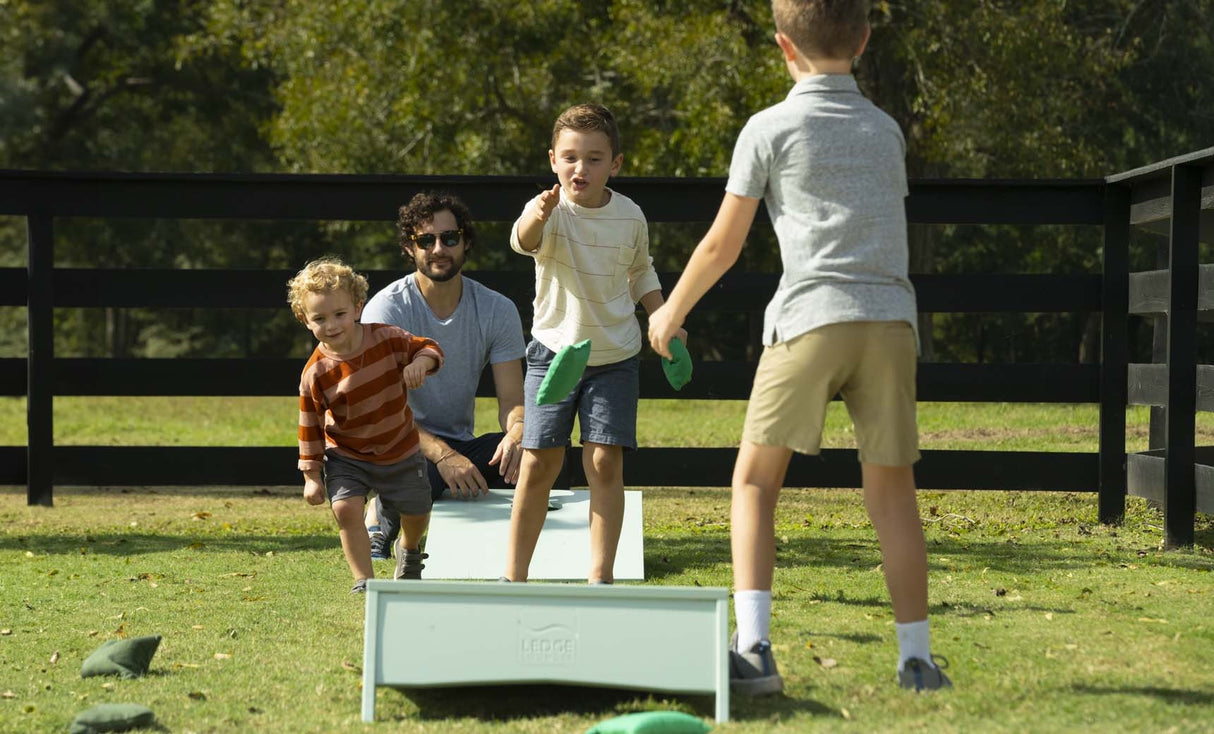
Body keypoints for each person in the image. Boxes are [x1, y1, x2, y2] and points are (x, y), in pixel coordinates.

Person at [647, 0, 951, 694]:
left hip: (810, 318)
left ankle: (754, 649)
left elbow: (722, 245)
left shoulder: (769, 128)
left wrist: (669, 315)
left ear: (785, 46)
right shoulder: (886, 131)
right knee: (893, 494)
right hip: (889, 323)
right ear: (864, 40)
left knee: (756, 482)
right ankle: (918, 662)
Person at [503, 103, 683, 585]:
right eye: (569, 157)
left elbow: (641, 270)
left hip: (615, 358)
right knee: (539, 462)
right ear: (553, 160)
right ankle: (514, 577)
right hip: (552, 354)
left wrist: (662, 315)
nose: (579, 168)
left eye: (594, 158)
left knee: (604, 462)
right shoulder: (546, 210)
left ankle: (600, 577)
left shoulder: (630, 216)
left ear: (615, 164)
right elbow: (522, 241)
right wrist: (537, 215)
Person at [360, 192, 527, 560]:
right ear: (409, 248)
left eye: (450, 238)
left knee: (538, 451)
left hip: (460, 445)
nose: (439, 249)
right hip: (398, 445)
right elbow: (382, 414)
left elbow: (513, 402)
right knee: (421, 472)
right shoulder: (385, 310)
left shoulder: (497, 310)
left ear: (465, 243)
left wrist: (518, 432)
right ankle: (380, 516)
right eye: (426, 240)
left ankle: (534, 539)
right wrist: (443, 456)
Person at [289, 256, 444, 591]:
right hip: (348, 455)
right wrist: (311, 477)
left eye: (340, 314)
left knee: (417, 510)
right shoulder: (315, 373)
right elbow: (310, 427)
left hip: (399, 448)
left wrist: (420, 363)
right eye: (320, 318)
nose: (332, 325)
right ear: (305, 320)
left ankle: (409, 548)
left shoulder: (387, 339)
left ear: (358, 307)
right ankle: (365, 580)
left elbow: (430, 349)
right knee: (345, 510)